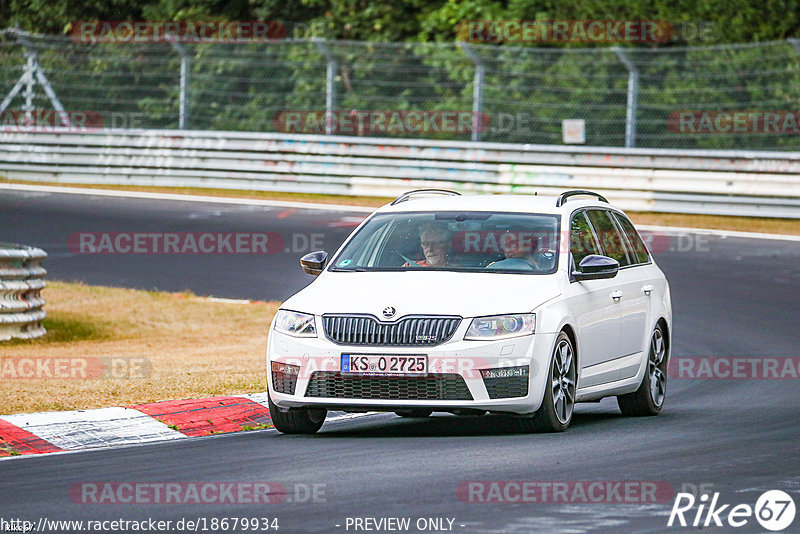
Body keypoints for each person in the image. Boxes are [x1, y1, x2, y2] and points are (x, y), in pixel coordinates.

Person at [487, 226, 555, 271]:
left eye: (512, 245)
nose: (507, 250)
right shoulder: (496, 267)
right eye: (505, 246)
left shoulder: (552, 262)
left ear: (528, 244)